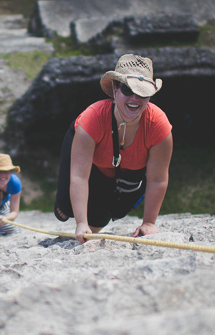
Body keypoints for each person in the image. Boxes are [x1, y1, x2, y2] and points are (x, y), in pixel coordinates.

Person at [54, 53, 173, 243]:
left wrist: (149, 222)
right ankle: (73, 211)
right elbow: (79, 176)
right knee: (65, 209)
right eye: (128, 89)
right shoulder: (92, 119)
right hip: (92, 156)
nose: (135, 98)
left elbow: (157, 179)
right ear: (115, 89)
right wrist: (80, 223)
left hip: (122, 167)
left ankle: (93, 220)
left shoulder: (159, 126)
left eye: (142, 93)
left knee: (103, 215)